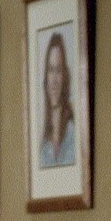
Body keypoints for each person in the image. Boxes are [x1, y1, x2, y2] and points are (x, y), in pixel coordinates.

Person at [40, 32, 76, 168]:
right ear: (46, 78)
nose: (54, 80)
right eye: (50, 70)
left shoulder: (73, 133)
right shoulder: (43, 145)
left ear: (65, 77)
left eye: (58, 70)